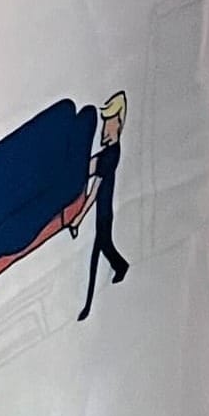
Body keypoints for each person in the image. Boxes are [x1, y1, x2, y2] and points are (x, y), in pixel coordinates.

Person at [77, 90, 131, 321]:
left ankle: (88, 306)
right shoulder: (109, 152)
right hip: (104, 213)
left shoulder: (111, 156)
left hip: (104, 214)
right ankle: (121, 266)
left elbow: (95, 188)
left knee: (97, 255)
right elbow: (87, 168)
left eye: (108, 124)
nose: (104, 130)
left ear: (118, 124)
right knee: (105, 249)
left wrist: (79, 218)